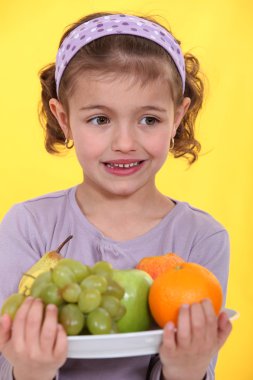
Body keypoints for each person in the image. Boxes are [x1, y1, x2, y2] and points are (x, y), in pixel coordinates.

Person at [0, 11, 232, 380]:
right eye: (100, 119)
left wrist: (186, 368)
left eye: (149, 120)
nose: (125, 144)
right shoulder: (28, 225)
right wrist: (31, 369)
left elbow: (194, 367)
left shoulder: (202, 238)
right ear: (64, 118)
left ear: (176, 117)